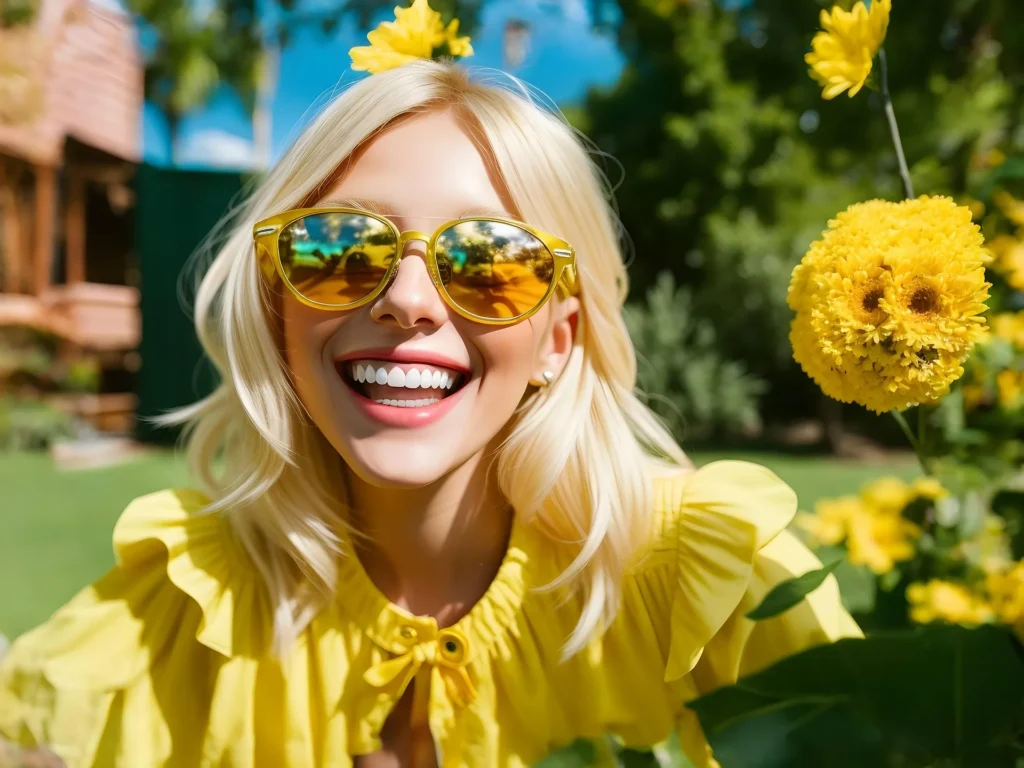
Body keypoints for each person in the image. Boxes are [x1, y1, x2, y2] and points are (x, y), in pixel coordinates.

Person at [0, 48, 861, 768]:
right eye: (339, 247)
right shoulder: (186, 604)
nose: (408, 299)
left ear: (558, 338)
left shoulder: (710, 581)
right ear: (278, 306)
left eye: (489, 261)